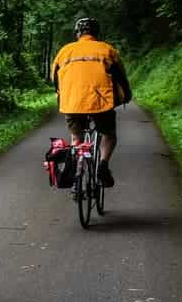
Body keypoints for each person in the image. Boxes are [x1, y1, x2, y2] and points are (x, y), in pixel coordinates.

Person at [50, 16, 132, 187]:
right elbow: (121, 78)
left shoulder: (64, 51)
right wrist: (126, 95)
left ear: (77, 33)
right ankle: (103, 164)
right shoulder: (106, 49)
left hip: (72, 103)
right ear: (96, 33)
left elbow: (54, 80)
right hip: (100, 102)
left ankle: (75, 168)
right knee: (109, 134)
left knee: (76, 136)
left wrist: (63, 96)